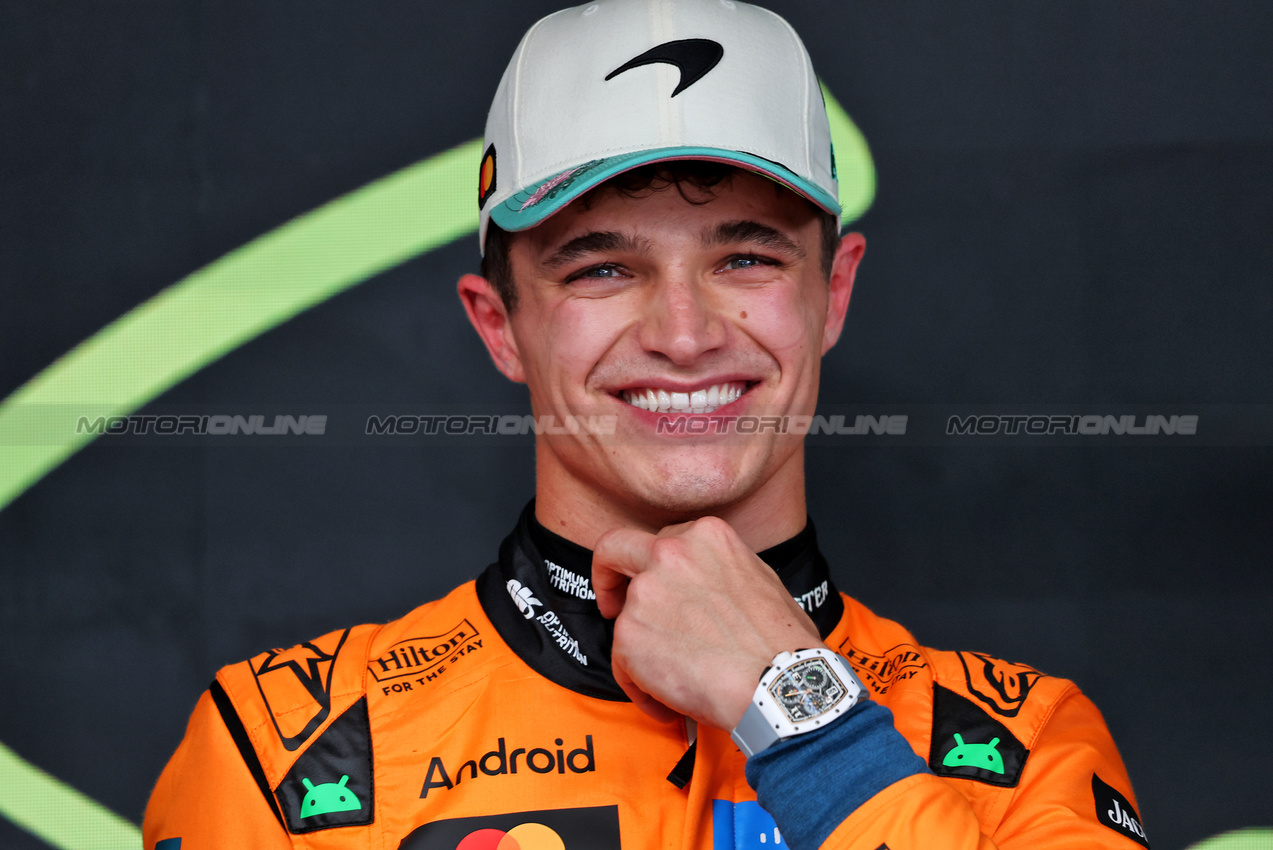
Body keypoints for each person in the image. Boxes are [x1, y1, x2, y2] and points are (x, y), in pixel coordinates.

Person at [143, 1, 1150, 848]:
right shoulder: (280, 754)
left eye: (745, 257)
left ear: (832, 296)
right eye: (603, 267)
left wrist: (804, 715)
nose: (683, 333)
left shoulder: (1029, 747)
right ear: (500, 324)